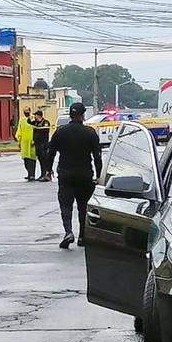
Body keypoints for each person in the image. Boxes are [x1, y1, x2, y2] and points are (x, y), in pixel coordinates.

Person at [47, 102, 102, 249]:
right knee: (83, 206)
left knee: (66, 205)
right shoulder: (90, 133)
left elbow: (50, 152)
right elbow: (97, 156)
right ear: (83, 115)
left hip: (65, 174)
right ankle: (82, 236)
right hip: (85, 175)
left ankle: (68, 232)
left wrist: (47, 170)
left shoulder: (60, 132)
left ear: (70, 115)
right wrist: (99, 175)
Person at [15, 107, 37, 181]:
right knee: (26, 160)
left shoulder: (33, 119)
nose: (26, 112)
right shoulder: (22, 120)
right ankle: (29, 173)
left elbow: (36, 129)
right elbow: (19, 130)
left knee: (32, 159)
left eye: (27, 111)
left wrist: (35, 139)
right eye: (25, 111)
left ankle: (32, 174)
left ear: (30, 111)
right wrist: (19, 140)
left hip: (32, 142)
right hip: (24, 142)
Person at [32, 110, 53, 182]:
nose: (34, 116)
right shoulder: (36, 123)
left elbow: (44, 132)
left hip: (43, 145)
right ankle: (42, 174)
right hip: (37, 144)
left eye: (35, 115)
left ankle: (46, 174)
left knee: (45, 160)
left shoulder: (45, 122)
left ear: (39, 115)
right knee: (40, 160)